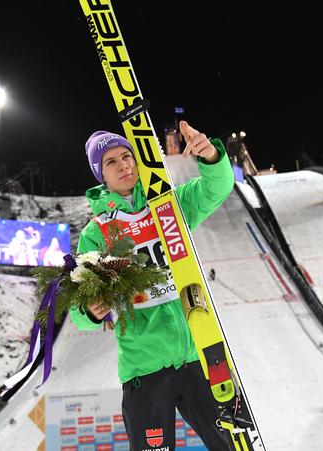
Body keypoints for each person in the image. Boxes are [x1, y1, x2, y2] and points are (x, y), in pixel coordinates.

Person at [70, 120, 233, 450]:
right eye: (111, 162)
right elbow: (77, 307)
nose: (123, 165)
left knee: (229, 444)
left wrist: (212, 156)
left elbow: (216, 189)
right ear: (101, 175)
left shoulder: (168, 206)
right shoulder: (96, 233)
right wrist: (89, 310)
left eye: (126, 156)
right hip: (143, 367)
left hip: (196, 352)